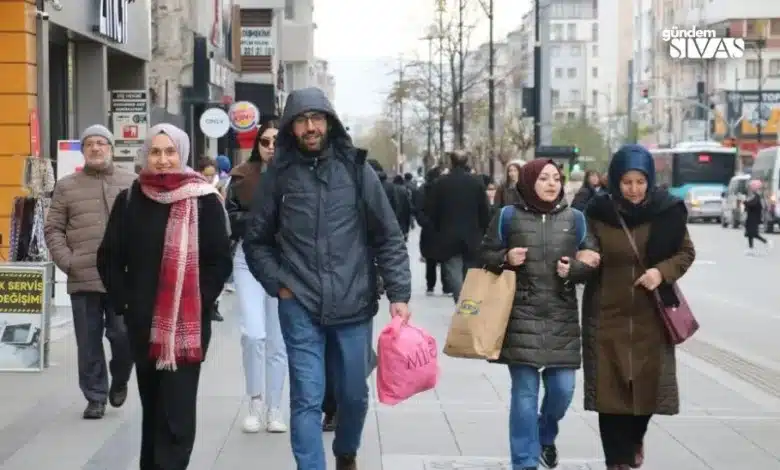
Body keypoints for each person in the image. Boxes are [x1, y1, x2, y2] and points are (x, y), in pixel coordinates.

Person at [242, 87, 411, 470]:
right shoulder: (278, 177)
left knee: (353, 394)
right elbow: (257, 242)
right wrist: (279, 285)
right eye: (301, 120)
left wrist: (399, 293)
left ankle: (346, 452)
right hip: (299, 302)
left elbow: (387, 234)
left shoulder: (356, 170)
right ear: (291, 128)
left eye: (317, 119)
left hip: (353, 301)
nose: (310, 127)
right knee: (307, 396)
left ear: (330, 123)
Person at [96, 123, 232, 470]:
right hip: (143, 326)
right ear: (146, 155)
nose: (162, 159)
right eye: (155, 152)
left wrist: (198, 299)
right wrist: (125, 303)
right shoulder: (130, 199)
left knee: (177, 411)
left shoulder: (203, 200)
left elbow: (219, 260)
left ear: (182, 154)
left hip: (186, 326)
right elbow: (110, 257)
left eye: (170, 151)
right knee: (153, 405)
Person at [479, 159, 601, 470]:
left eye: (556, 178)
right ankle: (524, 462)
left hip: (561, 319)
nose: (551, 184)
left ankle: (545, 433)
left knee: (563, 391)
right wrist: (506, 257)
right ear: (529, 181)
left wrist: (574, 269)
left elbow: (591, 260)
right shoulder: (508, 216)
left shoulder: (576, 219)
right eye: (544, 178)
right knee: (524, 396)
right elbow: (485, 256)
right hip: (520, 317)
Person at [583, 144, 696, 470]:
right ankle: (616, 461)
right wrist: (580, 260)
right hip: (607, 313)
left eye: (640, 182)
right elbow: (585, 248)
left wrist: (661, 272)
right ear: (616, 180)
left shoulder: (668, 210)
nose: (633, 189)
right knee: (610, 393)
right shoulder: (599, 212)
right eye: (627, 182)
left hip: (652, 314)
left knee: (646, 390)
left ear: (649, 180)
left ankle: (635, 438)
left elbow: (685, 253)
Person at [44, 124, 135, 420]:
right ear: (83, 151)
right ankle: (95, 396)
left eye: (101, 143)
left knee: (123, 336)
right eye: (90, 144)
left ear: (111, 148)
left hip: (122, 278)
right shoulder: (67, 185)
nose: (96, 148)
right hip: (82, 275)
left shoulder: (131, 182)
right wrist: (66, 261)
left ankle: (120, 377)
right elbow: (53, 228)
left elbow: (143, 227)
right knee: (88, 341)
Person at [225, 119, 289, 434]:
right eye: (265, 141)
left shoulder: (297, 174)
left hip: (284, 262)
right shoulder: (240, 176)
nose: (271, 147)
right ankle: (254, 400)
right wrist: (265, 221)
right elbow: (232, 216)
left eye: (277, 141)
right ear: (257, 144)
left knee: (278, 339)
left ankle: (275, 408)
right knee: (254, 334)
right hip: (248, 258)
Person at [426, 150, 491, 303]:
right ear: (466, 162)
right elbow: (485, 210)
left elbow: (432, 211)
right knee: (470, 271)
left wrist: (437, 229)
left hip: (448, 235)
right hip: (472, 235)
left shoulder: (441, 183)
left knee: (453, 272)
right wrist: (483, 230)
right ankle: (468, 302)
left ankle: (461, 302)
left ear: (451, 162)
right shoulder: (476, 182)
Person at [414, 167, 452, 295]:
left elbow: (418, 211)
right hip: (437, 229)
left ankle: (432, 285)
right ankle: (442, 286)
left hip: (434, 229)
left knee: (433, 259)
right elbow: (418, 210)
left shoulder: (437, 189)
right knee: (440, 259)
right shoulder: (426, 190)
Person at [743, 179, 771, 255]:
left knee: (753, 233)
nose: (750, 189)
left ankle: (766, 242)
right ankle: (750, 249)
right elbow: (749, 205)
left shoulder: (757, 196)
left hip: (754, 218)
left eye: (751, 187)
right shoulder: (753, 196)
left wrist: (745, 202)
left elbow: (752, 204)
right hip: (750, 217)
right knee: (749, 234)